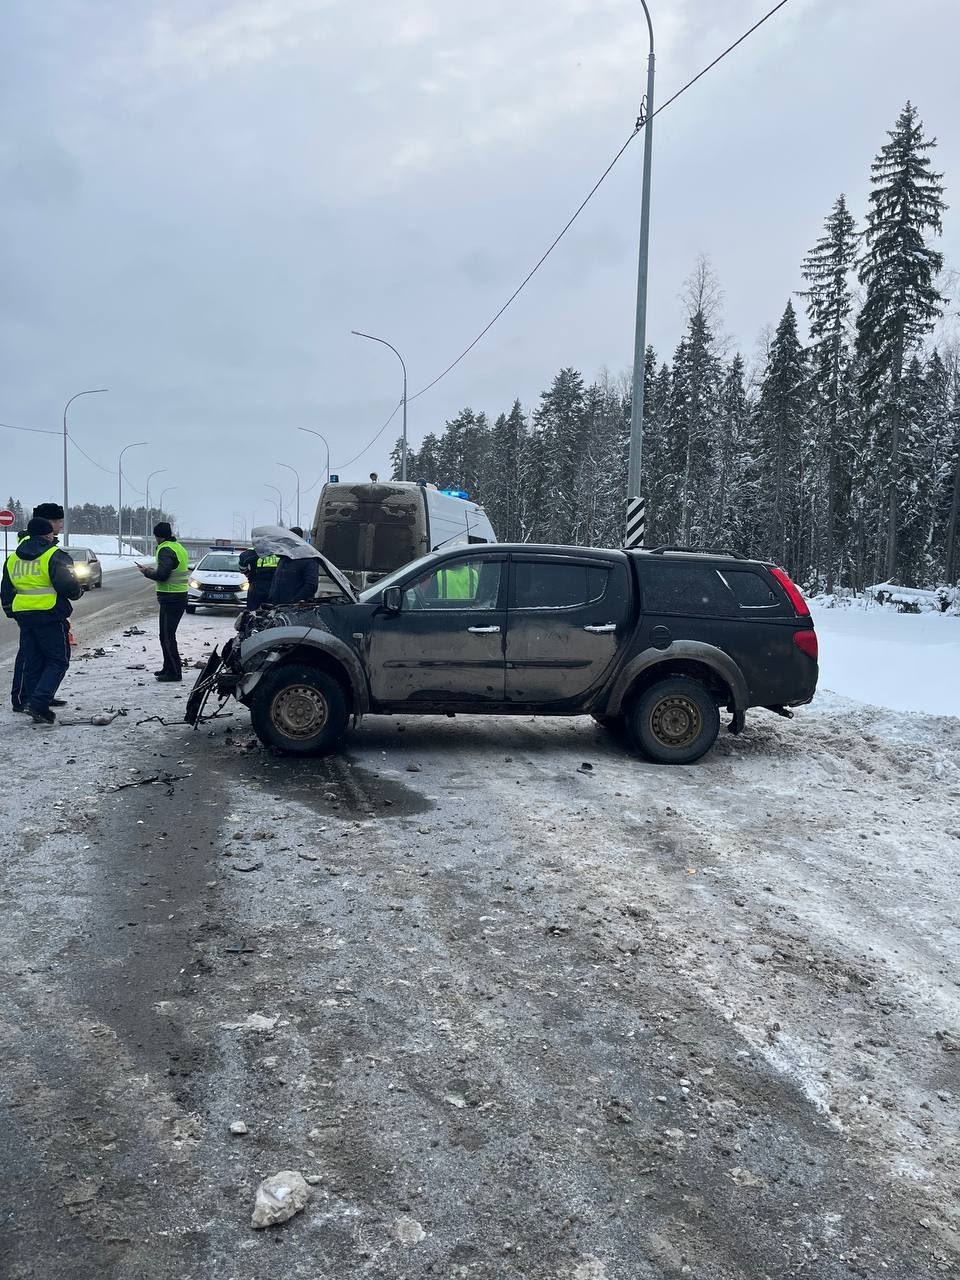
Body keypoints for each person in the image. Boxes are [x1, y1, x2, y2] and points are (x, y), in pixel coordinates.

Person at [1, 517, 82, 723]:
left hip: (24, 616)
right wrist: (77, 592)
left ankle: (30, 701)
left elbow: (6, 590)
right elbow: (69, 586)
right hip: (49, 614)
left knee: (33, 661)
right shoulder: (54, 555)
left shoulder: (12, 558)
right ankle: (38, 703)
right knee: (58, 660)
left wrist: (11, 611)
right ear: (48, 534)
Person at [10, 503, 67, 713]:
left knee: (39, 656)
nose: (60, 525)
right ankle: (24, 698)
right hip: (38, 610)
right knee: (30, 658)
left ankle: (39, 696)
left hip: (38, 609)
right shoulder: (30, 544)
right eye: (58, 521)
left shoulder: (43, 543)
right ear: (47, 523)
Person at [136, 521, 190, 682]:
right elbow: (169, 570)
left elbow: (162, 575)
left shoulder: (165, 549)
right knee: (165, 635)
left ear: (158, 536)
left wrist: (146, 572)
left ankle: (174, 672)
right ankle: (168, 667)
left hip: (171, 597)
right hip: (177, 596)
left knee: (167, 636)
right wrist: (151, 570)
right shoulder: (178, 547)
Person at [268, 527, 320, 606]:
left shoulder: (308, 558)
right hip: (277, 605)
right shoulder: (285, 558)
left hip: (295, 608)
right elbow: (276, 581)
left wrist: (294, 601)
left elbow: (311, 585)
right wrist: (271, 598)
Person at [238, 546, 279, 611]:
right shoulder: (281, 551)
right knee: (276, 610)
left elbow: (242, 566)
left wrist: (248, 574)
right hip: (277, 586)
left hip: (257, 586)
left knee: (253, 611)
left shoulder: (252, 551)